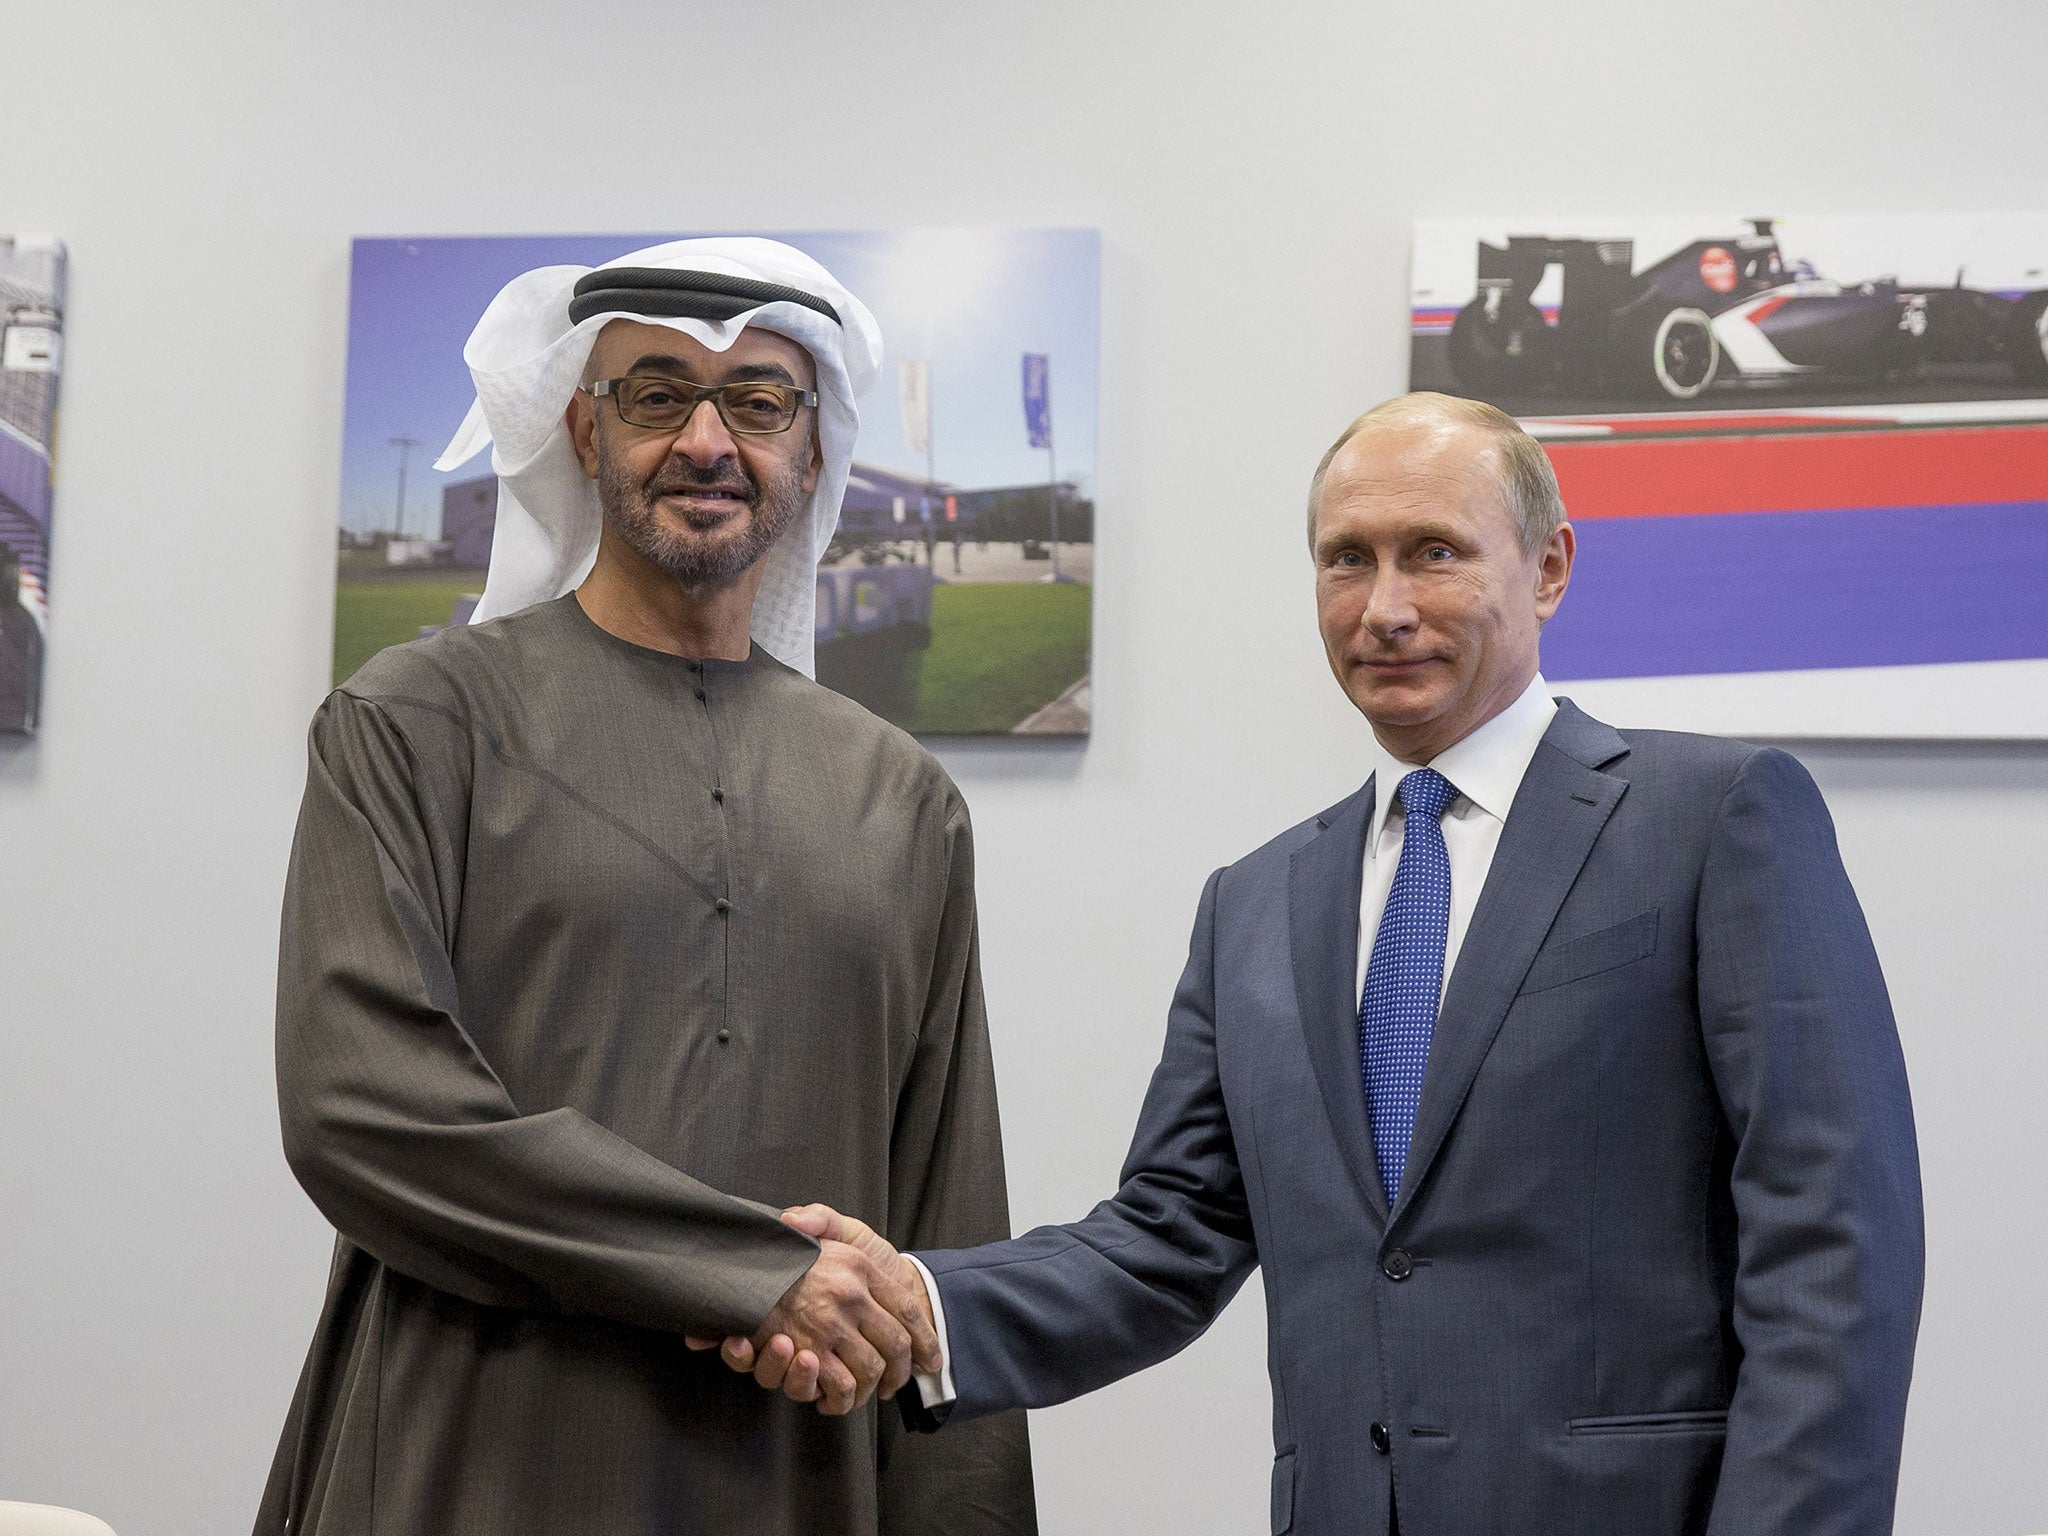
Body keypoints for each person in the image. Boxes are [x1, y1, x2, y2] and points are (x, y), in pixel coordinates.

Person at [726, 392, 1925, 1535]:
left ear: (1549, 565)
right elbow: (1166, 1235)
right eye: (1346, 558)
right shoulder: (1253, 905)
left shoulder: (1711, 820)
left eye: (1433, 552)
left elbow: (1832, 1247)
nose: (1383, 606)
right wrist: (914, 1305)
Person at [256, 239, 1035, 1536]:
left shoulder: (902, 801)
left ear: (813, 446)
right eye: (658, 394)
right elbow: (359, 1104)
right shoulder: (412, 723)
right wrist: (751, 1275)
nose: (708, 440)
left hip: (796, 1478)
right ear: (582, 426)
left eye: (760, 402)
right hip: (473, 1466)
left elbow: (945, 1222)